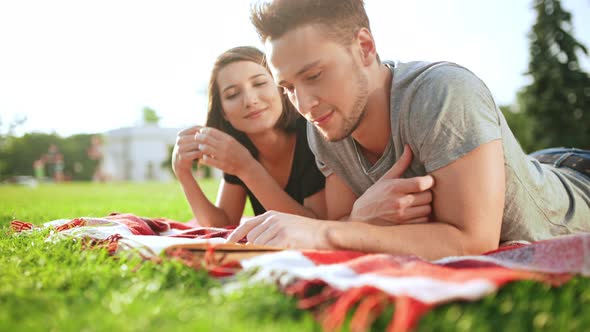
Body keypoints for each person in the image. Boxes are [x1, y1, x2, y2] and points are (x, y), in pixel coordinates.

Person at [227, 0, 590, 259]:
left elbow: (473, 242)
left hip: (578, 184)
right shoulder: (324, 127)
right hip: (535, 167)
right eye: (288, 87)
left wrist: (327, 232)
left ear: (365, 48)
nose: (304, 104)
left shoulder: (443, 93)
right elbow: (349, 222)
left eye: (314, 76)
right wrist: (357, 218)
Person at [173, 46, 332, 227]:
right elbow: (221, 226)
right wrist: (183, 174)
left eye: (259, 84)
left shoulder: (312, 134)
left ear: (281, 87)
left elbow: (317, 227)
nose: (250, 100)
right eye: (232, 94)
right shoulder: (239, 146)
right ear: (223, 112)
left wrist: (246, 167)